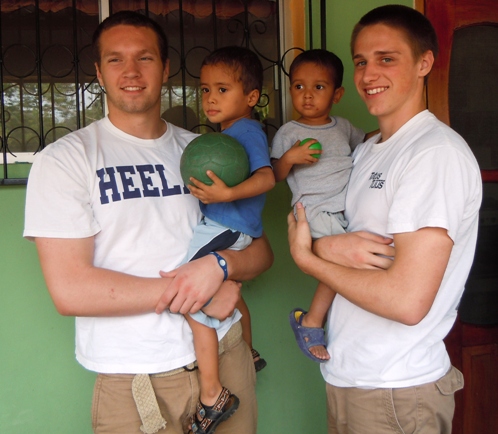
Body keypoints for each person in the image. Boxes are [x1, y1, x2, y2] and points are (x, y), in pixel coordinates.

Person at [23, 11, 273, 434]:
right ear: (99, 73)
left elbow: (259, 250)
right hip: (135, 377)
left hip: (227, 357)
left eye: (145, 58)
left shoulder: (207, 150)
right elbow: (70, 290)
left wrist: (220, 267)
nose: (132, 71)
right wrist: (199, 294)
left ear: (166, 67)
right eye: (116, 60)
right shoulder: (65, 160)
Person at [287, 5, 481, 433]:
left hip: (397, 389)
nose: (368, 74)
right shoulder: (368, 149)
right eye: (361, 61)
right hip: (350, 375)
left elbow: (407, 302)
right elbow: (341, 237)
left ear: (424, 63)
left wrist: (310, 260)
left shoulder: (433, 154)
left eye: (386, 59)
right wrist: (325, 245)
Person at [180, 46, 275, 432]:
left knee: (188, 297)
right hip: (228, 227)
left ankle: (212, 394)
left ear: (251, 98)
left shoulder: (247, 131)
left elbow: (266, 179)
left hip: (224, 228)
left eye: (222, 89)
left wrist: (225, 196)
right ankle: (249, 352)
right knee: (233, 291)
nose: (211, 99)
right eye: (205, 90)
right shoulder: (232, 134)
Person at [271, 49, 366, 362]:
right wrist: (289, 158)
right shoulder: (289, 132)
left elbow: (366, 143)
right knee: (342, 267)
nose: (307, 96)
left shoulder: (343, 127)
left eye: (318, 87)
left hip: (344, 213)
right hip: (313, 212)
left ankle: (319, 321)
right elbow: (274, 175)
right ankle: (311, 321)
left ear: (337, 94)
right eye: (299, 87)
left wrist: (393, 132)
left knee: (352, 266)